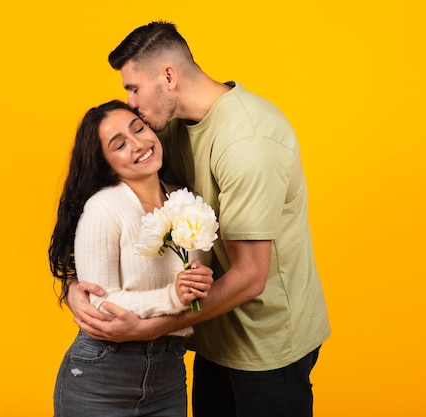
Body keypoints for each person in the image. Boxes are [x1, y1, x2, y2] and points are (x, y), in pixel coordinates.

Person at [69, 21, 331, 417]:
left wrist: (147, 329)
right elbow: (123, 204)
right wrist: (80, 289)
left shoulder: (248, 144)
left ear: (168, 76)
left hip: (268, 345)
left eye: (134, 89)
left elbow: (249, 277)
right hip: (213, 337)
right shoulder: (165, 132)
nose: (131, 103)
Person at [48, 99, 214, 417]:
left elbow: (198, 292)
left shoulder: (186, 201)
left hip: (169, 374)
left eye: (139, 128)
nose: (138, 144)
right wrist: (172, 296)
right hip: (101, 376)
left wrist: (201, 282)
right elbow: (100, 304)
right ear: (107, 165)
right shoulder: (105, 207)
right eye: (120, 144)